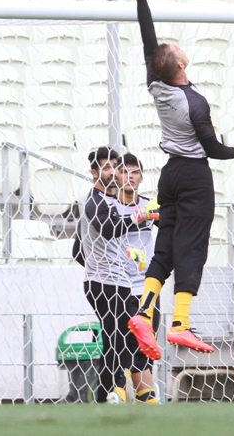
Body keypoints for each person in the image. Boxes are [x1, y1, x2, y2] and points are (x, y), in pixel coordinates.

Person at [113, 0, 234, 361]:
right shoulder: (195, 102)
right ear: (180, 64)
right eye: (174, 49)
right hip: (193, 175)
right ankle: (179, 325)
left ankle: (143, 312)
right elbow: (213, 150)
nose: (170, 46)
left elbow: (147, 37)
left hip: (168, 175)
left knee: (166, 247)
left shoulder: (156, 83)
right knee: (192, 249)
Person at [75, 147, 157, 404]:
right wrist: (101, 266)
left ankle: (123, 395)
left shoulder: (113, 201)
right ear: (94, 173)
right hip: (106, 283)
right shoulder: (95, 201)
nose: (113, 173)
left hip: (128, 283)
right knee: (122, 339)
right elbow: (106, 232)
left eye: (115, 167)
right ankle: (117, 392)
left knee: (124, 340)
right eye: (107, 168)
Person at [113, 152, 160, 403]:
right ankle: (119, 389)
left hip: (148, 285)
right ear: (116, 176)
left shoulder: (150, 205)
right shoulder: (109, 207)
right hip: (120, 284)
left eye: (134, 172)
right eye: (124, 171)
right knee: (125, 338)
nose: (129, 176)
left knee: (146, 340)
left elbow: (170, 228)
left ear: (141, 177)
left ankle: (145, 395)